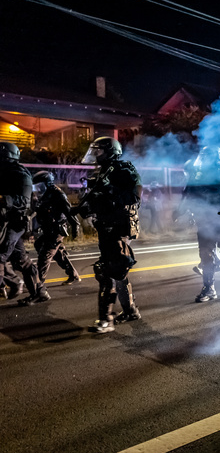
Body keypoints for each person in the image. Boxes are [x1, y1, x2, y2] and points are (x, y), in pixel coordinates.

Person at [75, 137, 142, 333]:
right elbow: (97, 199)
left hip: (119, 226)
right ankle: (130, 311)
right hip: (105, 225)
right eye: (94, 151)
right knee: (117, 270)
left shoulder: (124, 170)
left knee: (105, 270)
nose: (96, 155)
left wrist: (110, 191)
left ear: (111, 152)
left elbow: (135, 197)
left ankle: (106, 319)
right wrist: (85, 208)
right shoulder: (101, 172)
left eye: (99, 151)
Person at [175, 146, 220, 303]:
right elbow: (187, 194)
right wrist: (180, 211)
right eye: (203, 157)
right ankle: (209, 289)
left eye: (207, 157)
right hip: (205, 222)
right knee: (206, 256)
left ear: (216, 158)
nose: (204, 161)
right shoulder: (197, 176)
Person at [0, 142, 50, 305]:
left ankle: (5, 286)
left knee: (0, 256)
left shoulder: (21, 175)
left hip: (14, 222)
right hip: (4, 222)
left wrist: (3, 199)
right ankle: (39, 292)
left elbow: (23, 201)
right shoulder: (3, 172)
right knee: (20, 260)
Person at [31, 171, 81, 285]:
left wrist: (75, 228)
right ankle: (73, 274)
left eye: (40, 186)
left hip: (56, 230)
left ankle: (38, 285)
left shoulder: (57, 194)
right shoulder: (42, 195)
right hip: (48, 229)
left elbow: (69, 212)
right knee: (41, 245)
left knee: (45, 255)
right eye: (36, 187)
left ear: (48, 184)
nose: (38, 189)